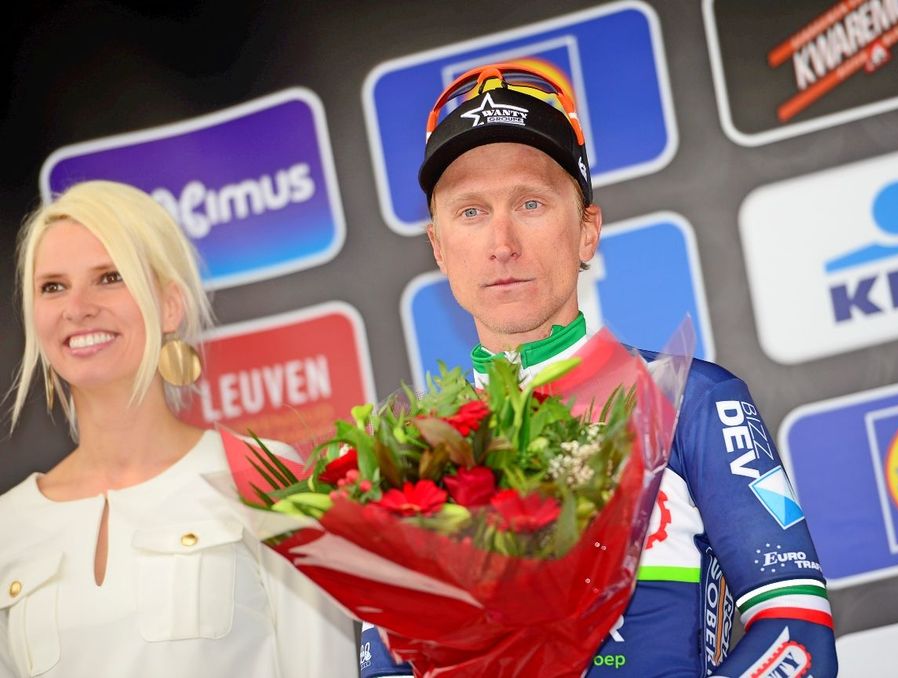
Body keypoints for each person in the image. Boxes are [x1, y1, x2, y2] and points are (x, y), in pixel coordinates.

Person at [359, 64, 838, 677]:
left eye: (530, 203)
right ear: (439, 248)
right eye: (471, 212)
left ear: (587, 231)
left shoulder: (692, 401)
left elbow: (799, 636)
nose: (502, 243)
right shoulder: (404, 455)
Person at [0, 180, 358, 677]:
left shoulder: (263, 475)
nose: (76, 307)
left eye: (109, 277)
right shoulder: (10, 524)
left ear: (170, 305)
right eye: (53, 287)